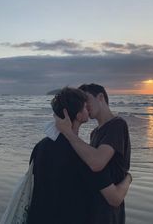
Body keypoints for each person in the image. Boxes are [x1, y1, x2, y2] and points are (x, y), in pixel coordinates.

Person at [27, 87, 132, 224]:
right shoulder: (85, 156)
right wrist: (128, 178)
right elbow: (115, 199)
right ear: (78, 115)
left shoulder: (40, 147)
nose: (88, 109)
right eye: (84, 106)